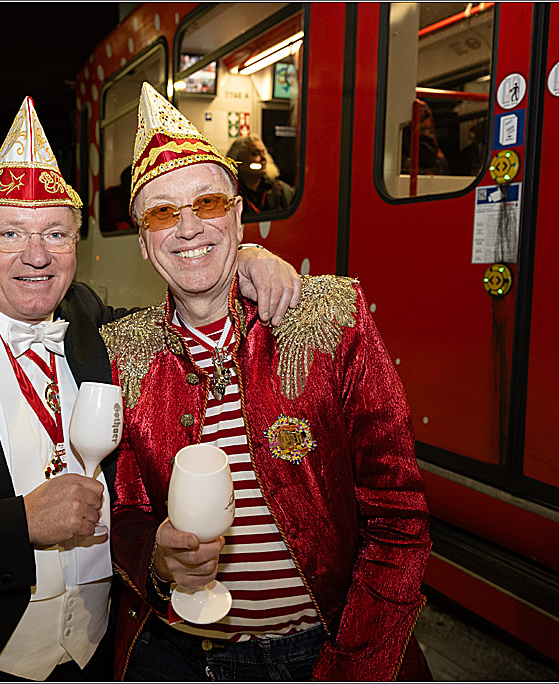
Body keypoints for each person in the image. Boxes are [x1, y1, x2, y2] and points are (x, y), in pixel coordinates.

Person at [0, 96, 301, 682]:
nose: (36, 256)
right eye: (11, 233)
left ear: (76, 246)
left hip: (102, 660)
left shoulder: (109, 335)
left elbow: (192, 301)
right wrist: (19, 526)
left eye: (56, 234)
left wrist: (243, 257)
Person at [101, 82, 432, 681]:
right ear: (145, 243)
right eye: (161, 212)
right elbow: (123, 508)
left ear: (237, 215)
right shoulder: (124, 355)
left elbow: (397, 515)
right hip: (174, 659)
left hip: (319, 654)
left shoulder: (329, 318)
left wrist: (357, 663)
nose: (187, 228)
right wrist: (155, 556)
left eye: (207, 204)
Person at [226, 136, 295, 217]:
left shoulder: (280, 190)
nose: (263, 158)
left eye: (264, 153)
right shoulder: (229, 192)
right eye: (256, 154)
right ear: (238, 161)